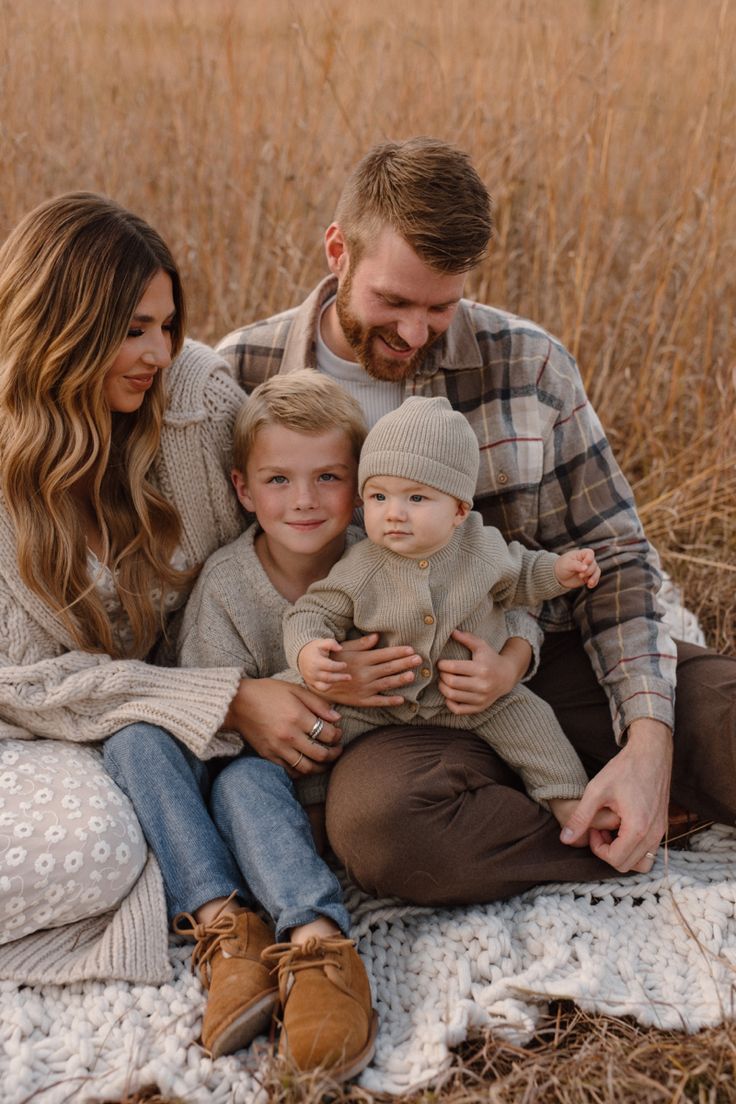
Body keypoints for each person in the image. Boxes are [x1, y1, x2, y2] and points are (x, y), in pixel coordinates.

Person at [216, 136, 736, 902]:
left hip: (538, 664)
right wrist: (263, 686)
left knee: (722, 722)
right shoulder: (239, 376)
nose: (419, 332)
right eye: (393, 302)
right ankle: (610, 830)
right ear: (338, 251)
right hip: (392, 724)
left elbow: (615, 557)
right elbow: (185, 584)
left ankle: (636, 790)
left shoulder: (528, 364)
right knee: (386, 830)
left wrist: (649, 739)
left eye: (441, 306)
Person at [0, 192, 248, 989]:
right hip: (32, 732)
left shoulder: (200, 403)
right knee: (102, 845)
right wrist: (226, 703)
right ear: (59, 329)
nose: (159, 353)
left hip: (135, 736)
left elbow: (277, 543)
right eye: (133, 330)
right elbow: (26, 684)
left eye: (166, 325)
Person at [106, 371, 378, 1078]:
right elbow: (210, 713)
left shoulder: (376, 570)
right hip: (237, 776)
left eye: (328, 477)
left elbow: (394, 685)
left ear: (357, 483)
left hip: (328, 785)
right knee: (136, 738)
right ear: (242, 489)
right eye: (279, 480)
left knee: (247, 781)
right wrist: (295, 686)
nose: (305, 500)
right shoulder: (227, 582)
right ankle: (226, 927)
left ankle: (319, 944)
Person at [286, 395, 607, 832]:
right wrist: (308, 652)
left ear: (458, 510)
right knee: (314, 720)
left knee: (533, 722)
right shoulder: (361, 564)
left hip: (474, 698)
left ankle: (567, 799)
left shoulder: (481, 549)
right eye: (379, 496)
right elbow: (312, 611)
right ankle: (311, 809)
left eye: (416, 497)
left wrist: (562, 571)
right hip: (382, 702)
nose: (394, 513)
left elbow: (523, 576)